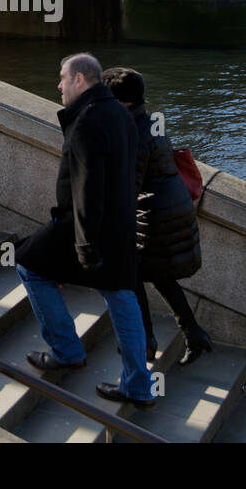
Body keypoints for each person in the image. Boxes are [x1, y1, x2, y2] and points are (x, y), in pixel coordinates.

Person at [14, 52, 156, 409]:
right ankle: (139, 387)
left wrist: (86, 245)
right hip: (121, 223)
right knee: (122, 296)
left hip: (83, 225)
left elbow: (86, 187)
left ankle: (66, 350)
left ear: (81, 80)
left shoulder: (87, 120)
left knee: (28, 264)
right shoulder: (122, 115)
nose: (58, 85)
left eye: (63, 77)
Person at [102, 66, 214, 366]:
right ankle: (194, 334)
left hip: (154, 216)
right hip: (172, 207)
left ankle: (147, 342)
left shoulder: (133, 133)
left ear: (120, 101)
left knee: (131, 274)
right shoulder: (150, 121)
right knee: (160, 275)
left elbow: (130, 185)